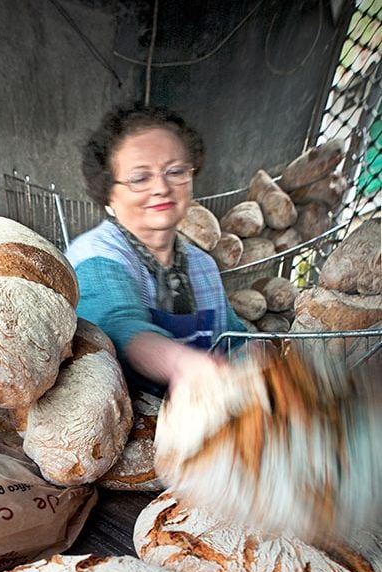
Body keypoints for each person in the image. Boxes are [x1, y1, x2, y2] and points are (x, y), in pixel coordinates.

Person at [65, 103, 246, 393]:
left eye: (175, 171)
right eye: (140, 178)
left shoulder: (203, 266)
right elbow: (118, 325)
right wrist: (183, 365)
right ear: (109, 194)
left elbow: (233, 337)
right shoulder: (93, 255)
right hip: (122, 427)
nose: (161, 187)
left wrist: (257, 359)